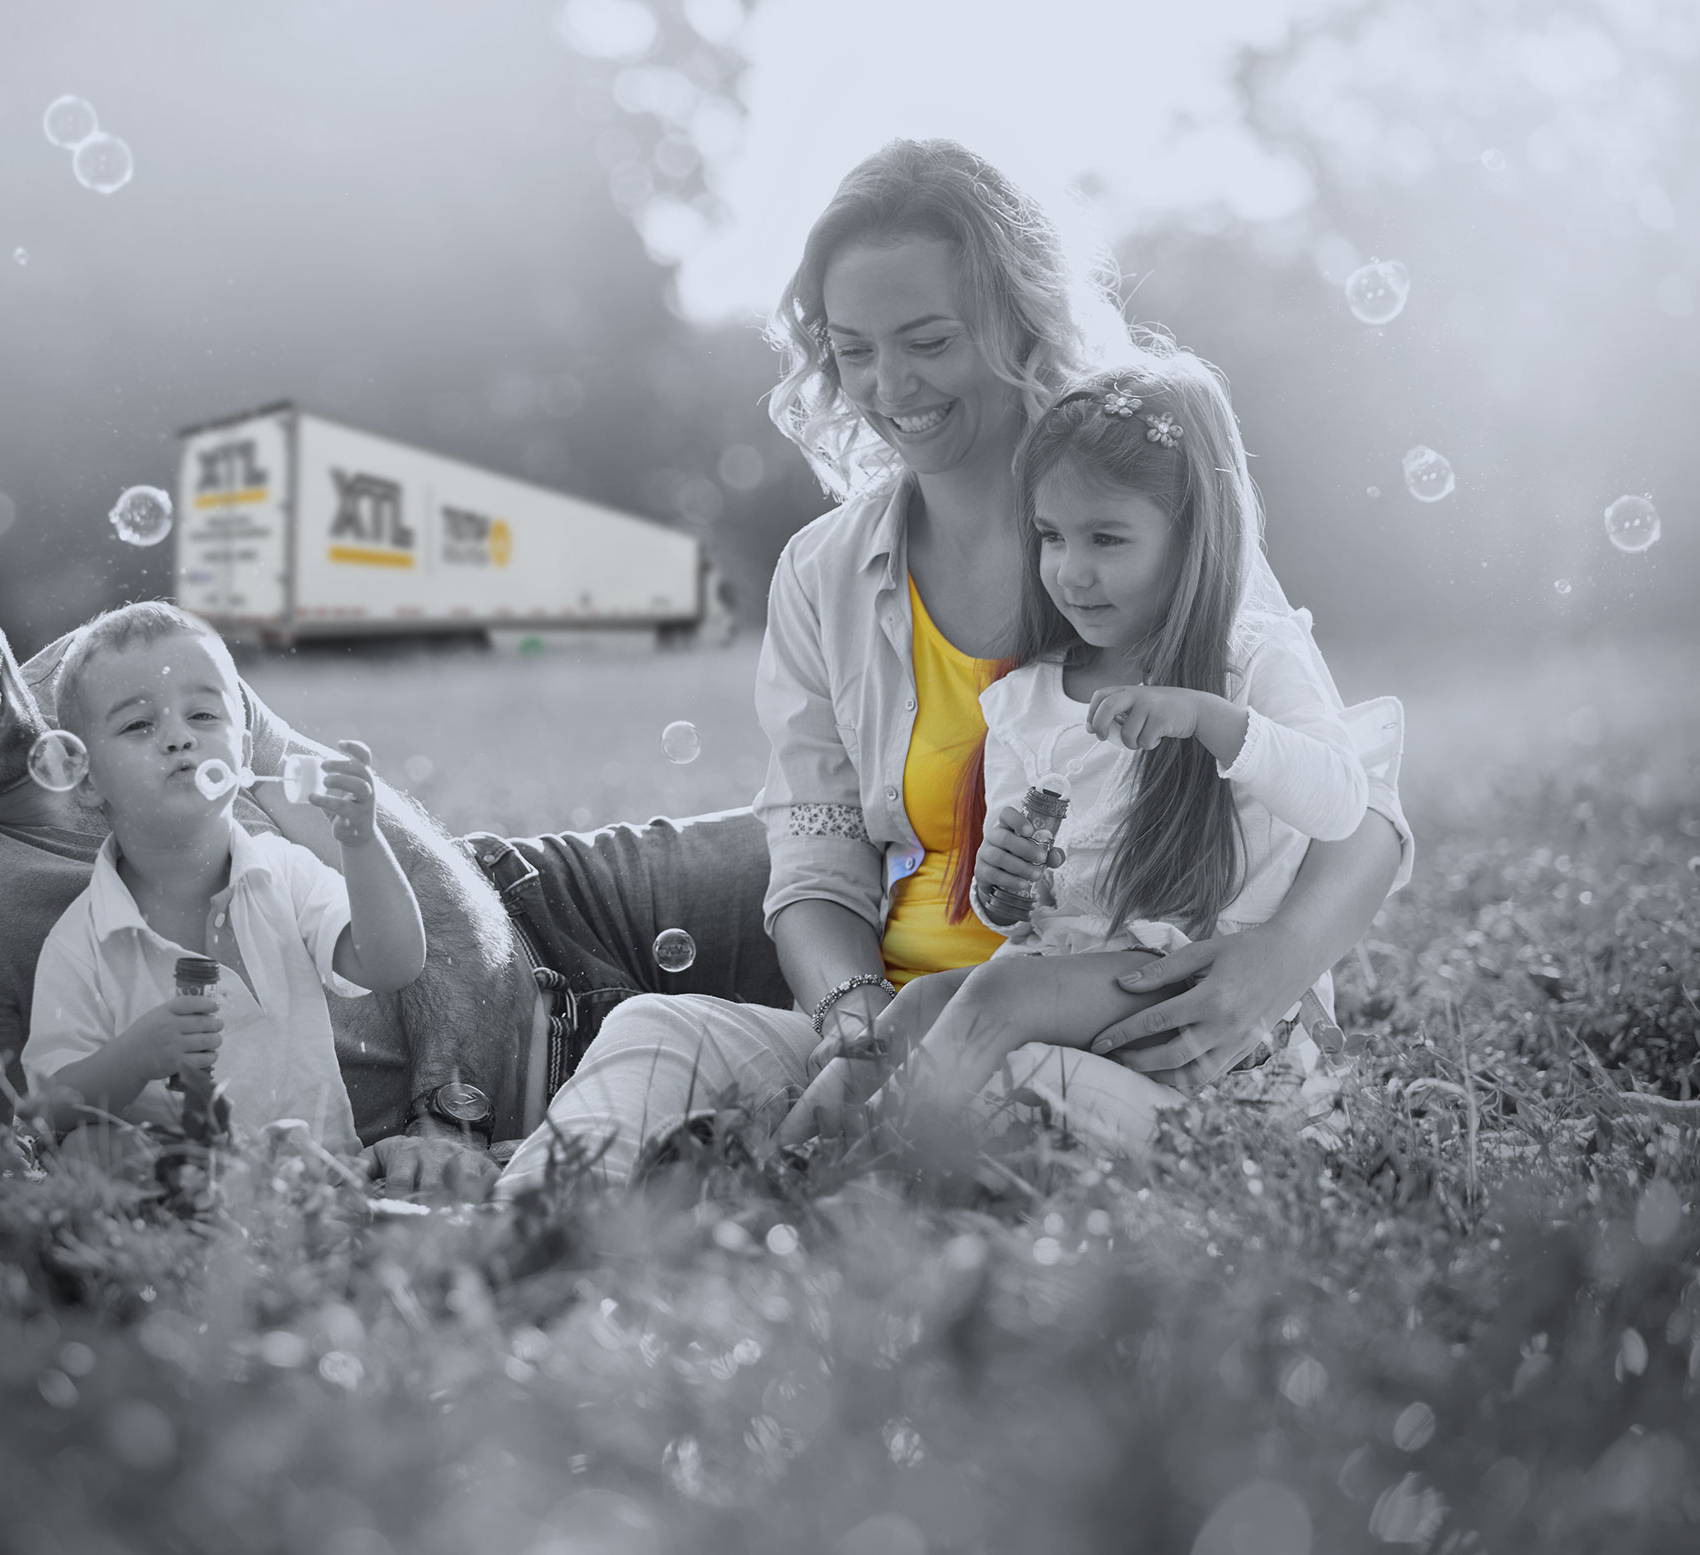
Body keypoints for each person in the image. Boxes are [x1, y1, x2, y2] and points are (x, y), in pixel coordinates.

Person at [497, 139, 1413, 1196]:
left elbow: (1363, 807)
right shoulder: (827, 572)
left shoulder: (1145, 519)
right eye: (851, 350)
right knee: (659, 1029)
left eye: (926, 339)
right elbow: (814, 852)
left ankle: (786, 1206)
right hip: (911, 1030)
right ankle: (528, 1227)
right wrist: (850, 1023)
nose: (888, 387)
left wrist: (1272, 965)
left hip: (1125, 1038)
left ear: (1016, 320)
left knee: (992, 1085)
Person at [0, 496, 793, 1193]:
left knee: (873, 846)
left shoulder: (117, 669)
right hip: (561, 1078)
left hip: (543, 902)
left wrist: (452, 1112)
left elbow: (391, 854)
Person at [786, 354, 1374, 1150]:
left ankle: (877, 1168)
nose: (1071, 571)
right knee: (919, 1005)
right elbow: (1023, 916)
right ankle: (780, 1158)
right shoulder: (1028, 700)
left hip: (1204, 1007)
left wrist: (1204, 717)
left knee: (997, 997)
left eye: (1107, 538)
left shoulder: (1254, 659)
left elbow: (1341, 801)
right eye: (1052, 536)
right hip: (1077, 988)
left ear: (1194, 534)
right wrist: (1003, 883)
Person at [21, 602, 424, 1164]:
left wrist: (362, 844)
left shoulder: (284, 873)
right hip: (179, 1200)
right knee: (94, 1149)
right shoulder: (83, 940)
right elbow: (48, 1106)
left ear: (243, 746)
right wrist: (134, 1058)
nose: (178, 739)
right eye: (139, 724)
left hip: (315, 1184)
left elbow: (393, 962)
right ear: (86, 781)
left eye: (204, 716)